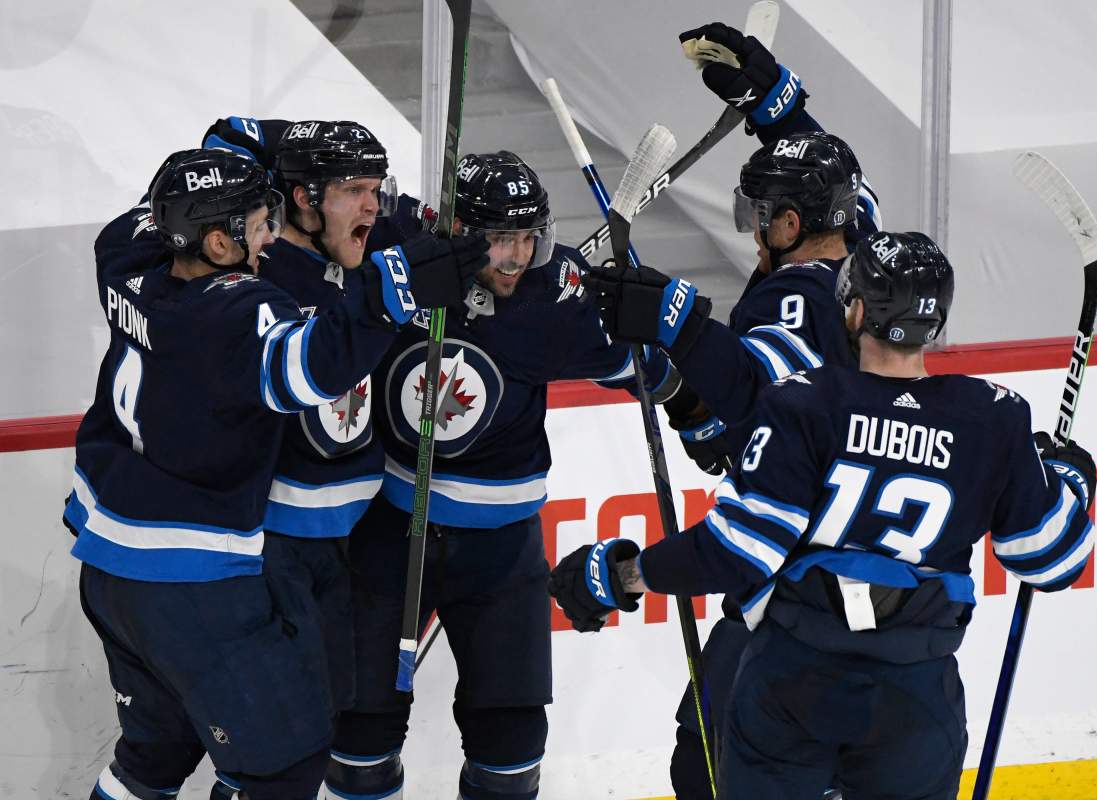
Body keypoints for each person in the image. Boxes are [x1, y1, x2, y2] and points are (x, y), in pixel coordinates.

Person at [551, 231, 1097, 798]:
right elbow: (1051, 560)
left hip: (794, 686)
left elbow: (737, 553)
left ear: (856, 310)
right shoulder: (992, 417)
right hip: (916, 703)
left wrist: (623, 576)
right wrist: (1072, 485)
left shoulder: (804, 401)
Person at [66, 147, 482, 800]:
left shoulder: (125, 260)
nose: (268, 240)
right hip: (190, 580)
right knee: (281, 767)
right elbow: (310, 368)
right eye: (258, 226)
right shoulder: (234, 313)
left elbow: (144, 217)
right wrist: (391, 290)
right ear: (216, 241)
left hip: (108, 568)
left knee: (152, 758)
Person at [585, 21, 881, 795]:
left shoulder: (786, 300)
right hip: (883, 590)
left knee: (707, 760)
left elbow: (765, 408)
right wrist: (776, 105)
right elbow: (844, 179)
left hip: (791, 589)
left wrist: (677, 327)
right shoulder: (875, 267)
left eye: (761, 217)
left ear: (787, 225)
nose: (754, 234)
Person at [324, 151, 676, 800]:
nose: (515, 258)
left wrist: (647, 336)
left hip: (504, 548)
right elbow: (321, 254)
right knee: (359, 735)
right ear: (459, 232)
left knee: (512, 746)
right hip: (392, 534)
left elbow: (648, 369)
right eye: (498, 240)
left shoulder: (557, 287)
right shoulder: (407, 247)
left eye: (526, 239)